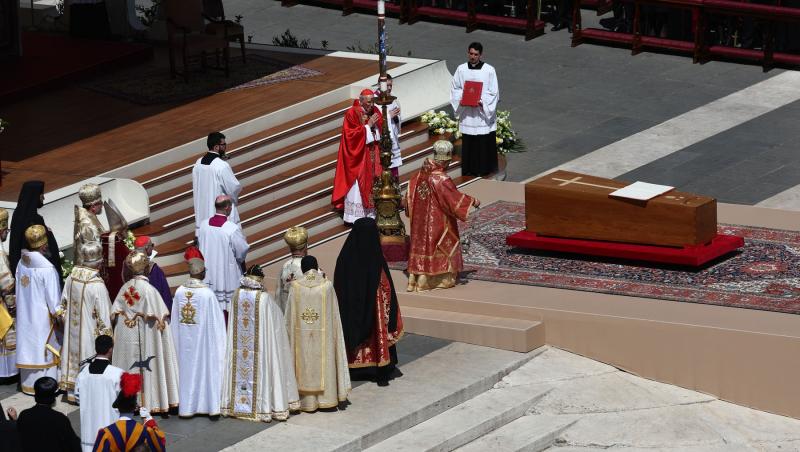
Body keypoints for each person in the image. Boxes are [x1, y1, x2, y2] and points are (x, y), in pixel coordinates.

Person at [221, 265, 300, 422]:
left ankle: (235, 405)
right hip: (259, 349)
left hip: (240, 351)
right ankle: (261, 408)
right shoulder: (263, 298)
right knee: (262, 363)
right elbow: (275, 320)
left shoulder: (236, 295)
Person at [334, 217, 403, 386]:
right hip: (375, 315)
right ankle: (379, 364)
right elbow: (387, 290)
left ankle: (357, 366)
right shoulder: (376, 259)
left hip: (353, 317)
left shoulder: (345, 259)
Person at [404, 141, 480, 292]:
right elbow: (453, 199)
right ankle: (432, 280)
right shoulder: (441, 179)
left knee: (421, 246)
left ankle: (415, 279)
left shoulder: (418, 175)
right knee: (437, 246)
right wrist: (472, 201)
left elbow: (408, 198)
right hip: (437, 222)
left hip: (419, 223)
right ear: (446, 161)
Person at [110, 251, 179, 415]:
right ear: (146, 268)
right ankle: (152, 399)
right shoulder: (150, 291)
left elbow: (113, 315)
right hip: (147, 341)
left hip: (127, 342)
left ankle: (127, 400)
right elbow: (162, 323)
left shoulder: (124, 289)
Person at [285, 256, 351, 412]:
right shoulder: (327, 286)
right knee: (325, 356)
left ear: (302, 269)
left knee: (302, 357)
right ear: (317, 267)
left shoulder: (295, 287)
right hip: (324, 338)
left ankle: (305, 401)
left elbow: (288, 319)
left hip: (301, 338)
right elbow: (334, 318)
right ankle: (325, 400)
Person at [171, 254, 226, 418]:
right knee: (204, 370)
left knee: (185, 371)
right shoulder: (207, 294)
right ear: (202, 272)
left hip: (183, 344)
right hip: (202, 345)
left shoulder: (180, 292)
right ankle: (206, 405)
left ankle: (185, 406)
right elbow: (216, 324)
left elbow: (174, 320)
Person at [59, 241, 113, 401]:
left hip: (71, 334)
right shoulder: (97, 285)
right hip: (90, 335)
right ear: (99, 261)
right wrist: (108, 340)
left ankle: (71, 392)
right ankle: (88, 394)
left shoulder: (71, 277)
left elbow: (63, 305)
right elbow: (104, 317)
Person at [15, 225, 62, 395]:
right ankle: (47, 386)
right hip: (42, 319)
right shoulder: (47, 269)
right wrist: (60, 315)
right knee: (44, 346)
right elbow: (54, 302)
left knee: (29, 346)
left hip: (24, 315)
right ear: (43, 246)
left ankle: (28, 385)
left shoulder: (21, 262)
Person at [331, 89, 384, 224]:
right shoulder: (352, 113)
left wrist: (376, 126)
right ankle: (355, 217)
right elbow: (350, 135)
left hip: (372, 153)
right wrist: (368, 126)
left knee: (374, 181)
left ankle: (371, 214)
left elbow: (381, 129)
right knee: (358, 186)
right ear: (360, 101)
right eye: (368, 102)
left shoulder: (375, 111)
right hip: (359, 157)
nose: (370, 105)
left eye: (372, 102)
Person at [450, 42, 500, 177]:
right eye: (471, 54)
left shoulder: (489, 70)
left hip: (481, 113)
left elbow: (494, 92)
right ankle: (468, 169)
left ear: (481, 55)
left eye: (476, 54)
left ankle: (483, 169)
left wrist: (482, 102)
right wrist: (462, 99)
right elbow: (455, 88)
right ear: (468, 53)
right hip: (467, 113)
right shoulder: (461, 69)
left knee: (482, 142)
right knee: (469, 143)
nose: (473, 57)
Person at [198, 195, 249, 313]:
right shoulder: (231, 228)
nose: (231, 208)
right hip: (226, 276)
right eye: (230, 205)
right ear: (227, 207)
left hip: (208, 274)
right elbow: (242, 251)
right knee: (227, 310)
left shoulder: (204, 225)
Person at [92, 372, 166, 452]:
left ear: (118, 408)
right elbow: (160, 448)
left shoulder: (106, 433)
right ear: (135, 408)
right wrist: (149, 419)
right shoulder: (145, 431)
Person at [74, 335, 124, 452]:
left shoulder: (83, 373)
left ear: (96, 348)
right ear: (111, 349)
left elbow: (78, 398)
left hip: (88, 429)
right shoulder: (118, 373)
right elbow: (124, 401)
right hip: (110, 429)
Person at [192, 131, 242, 232]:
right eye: (223, 145)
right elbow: (234, 187)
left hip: (203, 216)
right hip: (219, 216)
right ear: (216, 147)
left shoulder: (198, 163)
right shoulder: (221, 165)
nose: (225, 147)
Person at [8, 181, 61, 276]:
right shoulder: (33, 220)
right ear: (35, 196)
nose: (43, 197)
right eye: (41, 194)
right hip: (40, 272)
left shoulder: (19, 216)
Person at [16, 376, 81, 452]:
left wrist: (14, 419)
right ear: (54, 397)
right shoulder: (60, 419)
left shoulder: (24, 415)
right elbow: (73, 444)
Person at [0, 208, 18, 385]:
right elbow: (6, 285)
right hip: (2, 307)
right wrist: (13, 306)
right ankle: (8, 372)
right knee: (6, 337)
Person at [374, 74, 403, 179]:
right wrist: (388, 116)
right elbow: (375, 118)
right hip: (382, 141)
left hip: (393, 138)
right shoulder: (375, 100)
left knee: (394, 170)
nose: (390, 88)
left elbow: (397, 118)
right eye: (387, 86)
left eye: (391, 85)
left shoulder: (392, 98)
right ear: (379, 85)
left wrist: (396, 116)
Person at [133, 236, 173, 311]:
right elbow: (164, 294)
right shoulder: (154, 269)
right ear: (146, 248)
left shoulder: (128, 267)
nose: (153, 247)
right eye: (152, 245)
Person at [274, 226, 308, 313]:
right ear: (305, 246)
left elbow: (278, 295)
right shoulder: (309, 266)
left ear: (290, 248)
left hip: (288, 315)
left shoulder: (285, 266)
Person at [73, 183, 105, 266]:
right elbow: (94, 249)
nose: (102, 205)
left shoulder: (86, 216)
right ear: (93, 206)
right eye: (100, 202)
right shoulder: (87, 225)